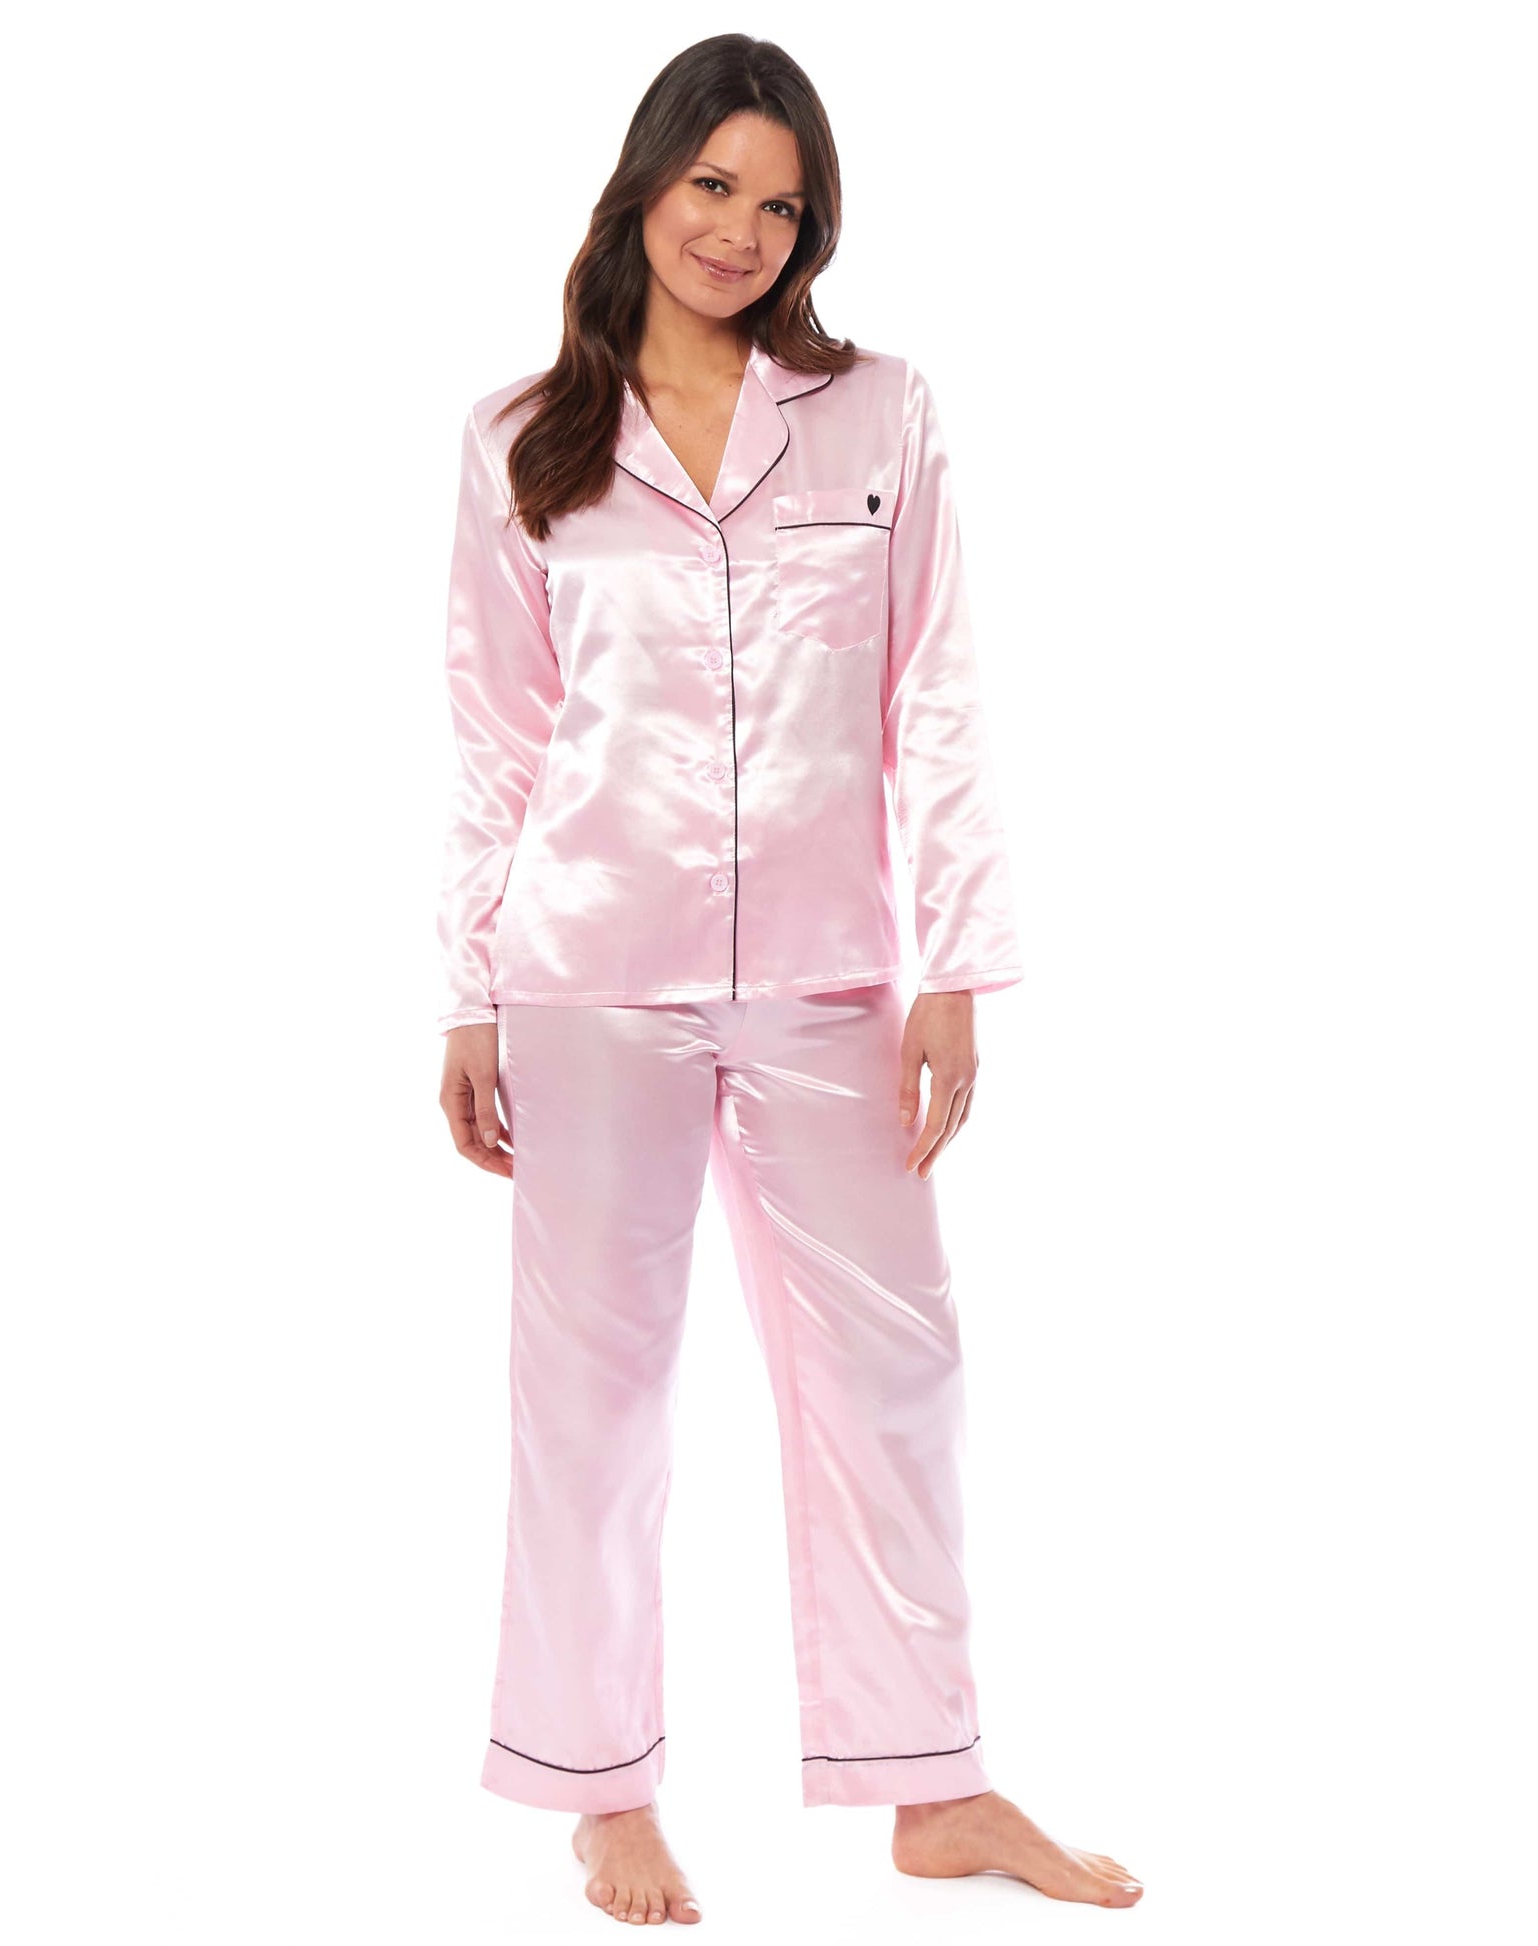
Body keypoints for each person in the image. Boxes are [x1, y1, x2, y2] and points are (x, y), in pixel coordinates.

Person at [434, 33, 1143, 1925]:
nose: (739, 230)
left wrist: (956, 963)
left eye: (779, 202)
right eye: (712, 186)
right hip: (588, 975)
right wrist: (467, 991)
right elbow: (495, 738)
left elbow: (937, 694)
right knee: (591, 1394)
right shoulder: (521, 438)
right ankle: (600, 1791)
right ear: (644, 184)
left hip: (834, 975)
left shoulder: (876, 413)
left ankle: (934, 1784)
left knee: (898, 1371)